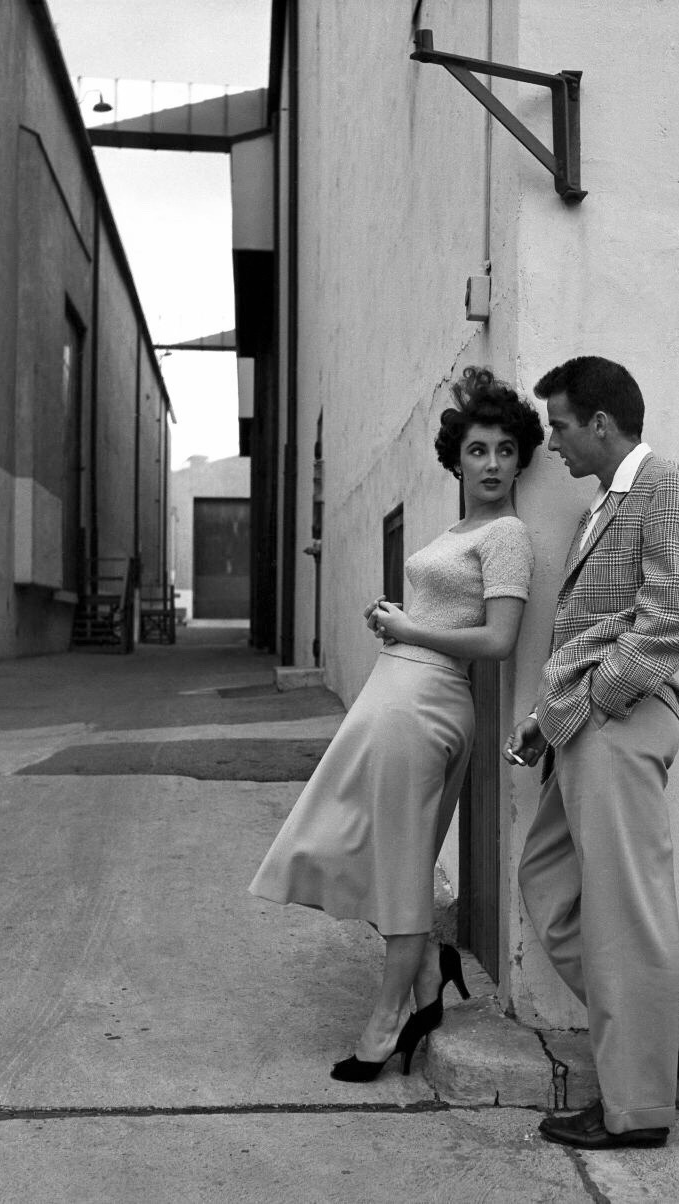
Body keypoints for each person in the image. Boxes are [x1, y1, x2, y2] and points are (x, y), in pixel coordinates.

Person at [250, 367, 544, 1082]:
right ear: (456, 458)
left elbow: (498, 641)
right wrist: (398, 622)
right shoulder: (459, 530)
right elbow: (439, 617)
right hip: (395, 693)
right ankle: (426, 977)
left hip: (430, 704)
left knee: (402, 864)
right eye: (479, 451)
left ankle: (386, 1026)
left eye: (507, 451)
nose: (494, 465)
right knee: (359, 843)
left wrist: (411, 627)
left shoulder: (506, 535)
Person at [504, 355, 679, 1149]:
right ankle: (664, 1041)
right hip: (585, 725)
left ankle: (636, 1109)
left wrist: (589, 700)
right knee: (548, 885)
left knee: (626, 918)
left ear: (599, 422)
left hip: (621, 723)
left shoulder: (665, 485)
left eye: (557, 425)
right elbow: (592, 631)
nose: (550, 443)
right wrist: (547, 717)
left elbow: (674, 618)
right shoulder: (603, 504)